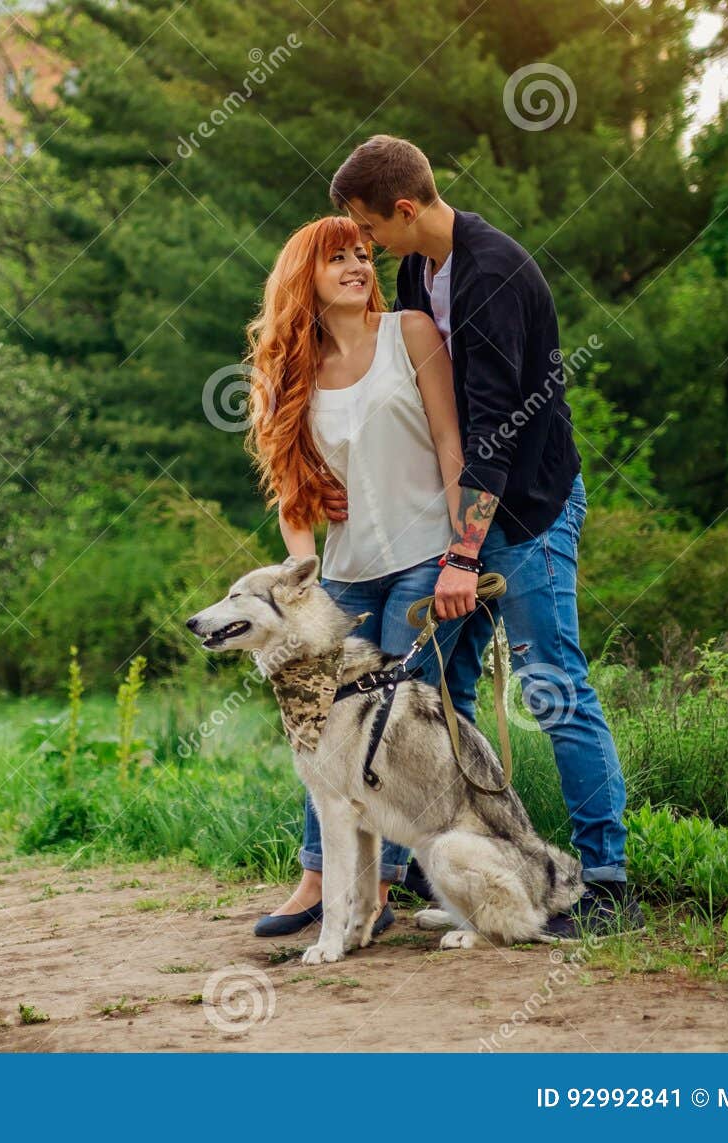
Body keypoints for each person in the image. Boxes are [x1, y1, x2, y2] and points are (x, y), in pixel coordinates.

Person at [326, 135, 641, 937]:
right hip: (463, 512)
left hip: (527, 510)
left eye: (370, 229)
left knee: (554, 686)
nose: (368, 247)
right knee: (444, 694)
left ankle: (604, 880)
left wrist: (465, 553)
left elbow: (497, 427)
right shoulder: (417, 269)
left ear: (404, 208)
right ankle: (458, 872)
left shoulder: (493, 272)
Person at [243, 215, 470, 939]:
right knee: (322, 723)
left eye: (364, 255)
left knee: (396, 722)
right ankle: (318, 879)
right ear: (303, 274)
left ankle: (375, 891)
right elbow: (292, 492)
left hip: (424, 557)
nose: (356, 266)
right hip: (340, 575)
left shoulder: (410, 333)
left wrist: (465, 550)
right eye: (337, 257)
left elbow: (448, 440)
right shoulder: (287, 369)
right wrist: (302, 585)